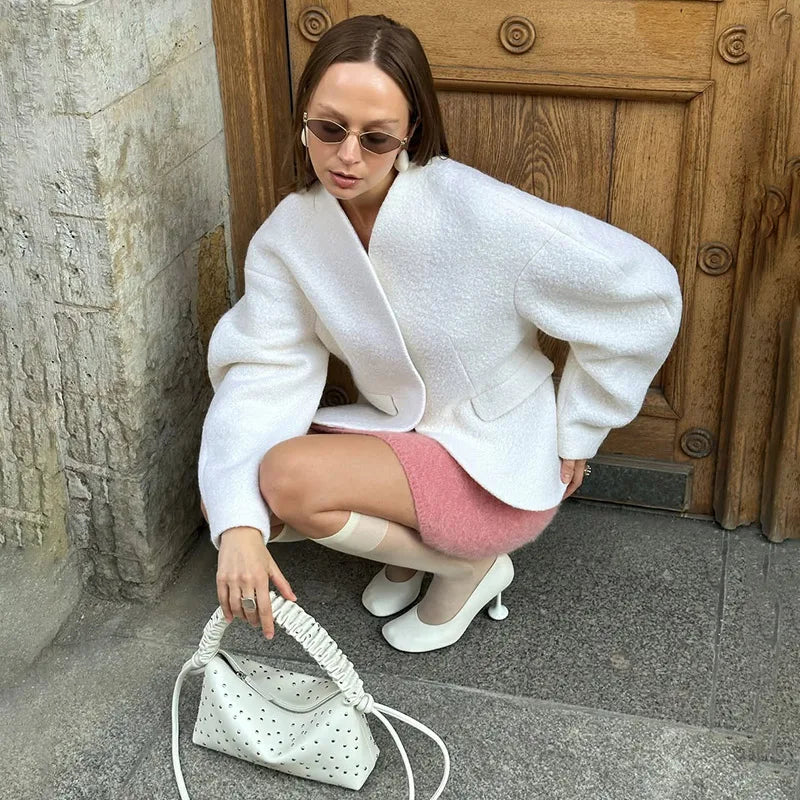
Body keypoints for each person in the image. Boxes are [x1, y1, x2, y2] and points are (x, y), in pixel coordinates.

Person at [198, 14, 682, 653]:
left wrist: (582, 424)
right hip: (406, 437)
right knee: (229, 498)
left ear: (411, 132)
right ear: (304, 118)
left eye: (376, 138)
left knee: (287, 477)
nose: (347, 156)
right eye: (329, 128)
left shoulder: (475, 211)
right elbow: (265, 369)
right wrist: (238, 530)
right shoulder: (292, 235)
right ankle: (417, 556)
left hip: (494, 460)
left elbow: (641, 291)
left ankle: (464, 567)